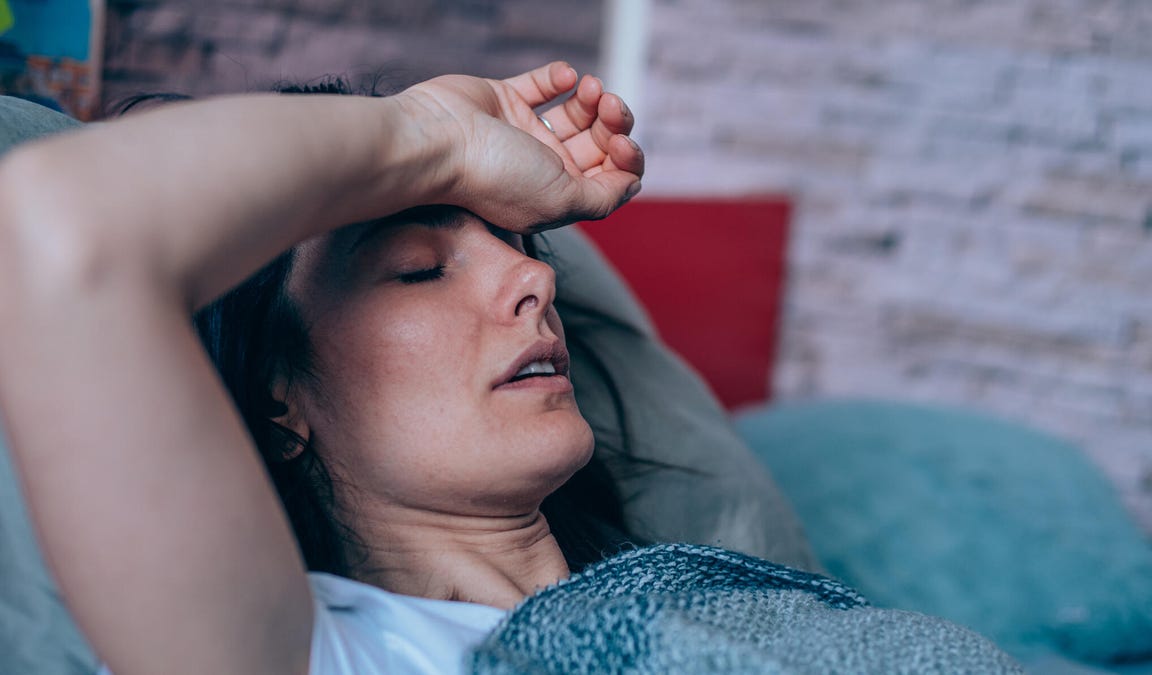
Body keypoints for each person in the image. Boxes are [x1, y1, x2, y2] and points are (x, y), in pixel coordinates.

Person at [0, 63, 1021, 674]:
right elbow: (51, 229)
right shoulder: (309, 650)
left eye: (525, 250)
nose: (533, 287)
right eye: (418, 268)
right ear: (281, 401)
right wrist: (429, 133)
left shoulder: (712, 597)